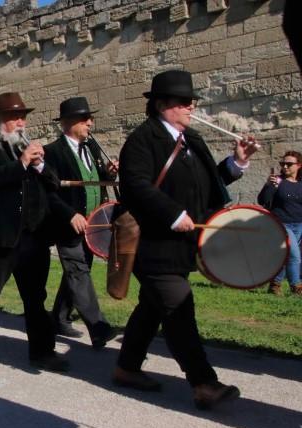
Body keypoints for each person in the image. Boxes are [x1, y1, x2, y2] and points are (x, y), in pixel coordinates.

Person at [112, 70, 258, 410]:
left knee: (151, 308)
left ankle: (126, 367)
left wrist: (237, 162)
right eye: (183, 101)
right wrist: (173, 214)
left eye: (191, 101)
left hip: (184, 246)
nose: (191, 106)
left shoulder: (192, 139)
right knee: (178, 305)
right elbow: (135, 186)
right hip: (153, 246)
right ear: (162, 105)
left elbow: (209, 185)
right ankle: (204, 383)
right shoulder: (142, 141)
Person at [0, 92, 70, 372]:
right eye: (14, 118)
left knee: (35, 297)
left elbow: (54, 183)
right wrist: (21, 164)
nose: (21, 123)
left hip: (32, 236)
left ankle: (42, 351)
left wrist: (41, 165)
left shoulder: (32, 150)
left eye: (23, 117)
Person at [43, 97, 117, 348]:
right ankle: (98, 327)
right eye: (85, 119)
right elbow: (47, 192)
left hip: (94, 224)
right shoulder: (52, 152)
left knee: (78, 270)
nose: (90, 123)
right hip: (69, 225)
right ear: (69, 122)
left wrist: (109, 173)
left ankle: (59, 318)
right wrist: (69, 214)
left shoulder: (92, 148)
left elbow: (96, 180)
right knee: (77, 270)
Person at [258, 151, 302, 295]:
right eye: (282, 163)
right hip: (281, 224)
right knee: (294, 255)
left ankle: (275, 285)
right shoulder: (277, 181)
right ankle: (296, 287)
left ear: (299, 165)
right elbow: (262, 200)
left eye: (289, 164)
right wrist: (269, 185)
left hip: (299, 225)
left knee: (285, 255)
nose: (284, 166)